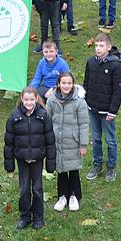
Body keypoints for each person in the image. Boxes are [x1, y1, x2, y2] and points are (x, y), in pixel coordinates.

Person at [3, 87, 56, 230]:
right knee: (24, 188)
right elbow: (9, 142)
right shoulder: (14, 117)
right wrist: (9, 165)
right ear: (22, 99)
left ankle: (38, 217)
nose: (29, 102)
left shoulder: (43, 115)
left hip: (37, 159)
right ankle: (24, 216)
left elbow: (50, 140)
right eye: (26, 99)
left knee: (37, 188)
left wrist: (51, 163)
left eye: (31, 99)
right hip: (22, 159)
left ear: (36, 99)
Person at [82, 32, 121, 182]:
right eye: (96, 46)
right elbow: (86, 83)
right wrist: (86, 100)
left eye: (101, 46)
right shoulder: (91, 62)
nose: (98, 49)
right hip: (93, 107)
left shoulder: (116, 66)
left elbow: (118, 90)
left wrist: (113, 111)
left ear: (109, 47)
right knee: (96, 138)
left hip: (107, 110)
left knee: (110, 139)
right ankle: (97, 164)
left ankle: (111, 166)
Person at [45, 72, 88, 212]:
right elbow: (47, 120)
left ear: (73, 84)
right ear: (58, 84)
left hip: (73, 141)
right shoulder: (51, 100)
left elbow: (84, 124)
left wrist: (83, 144)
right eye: (63, 83)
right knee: (61, 169)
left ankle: (74, 195)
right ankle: (62, 195)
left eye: (69, 83)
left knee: (73, 169)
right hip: (57, 141)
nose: (66, 86)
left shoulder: (79, 102)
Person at [29, 40, 70, 105]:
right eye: (46, 52)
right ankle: (41, 111)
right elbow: (37, 78)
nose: (49, 54)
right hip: (46, 86)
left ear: (56, 51)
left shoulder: (62, 64)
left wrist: (54, 89)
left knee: (55, 100)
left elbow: (67, 81)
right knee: (34, 97)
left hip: (60, 88)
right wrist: (30, 90)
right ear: (43, 52)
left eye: (51, 51)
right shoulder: (41, 63)